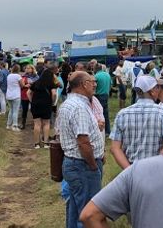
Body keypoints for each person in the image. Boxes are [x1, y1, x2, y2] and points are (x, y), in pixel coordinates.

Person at [57, 71, 105, 228]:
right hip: (83, 165)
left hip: (74, 163)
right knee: (88, 213)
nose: (95, 84)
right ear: (84, 84)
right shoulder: (79, 107)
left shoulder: (71, 104)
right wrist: (92, 164)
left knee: (76, 208)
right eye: (92, 81)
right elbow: (83, 141)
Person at [110, 75, 163, 169]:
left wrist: (130, 171)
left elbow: (115, 148)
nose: (159, 90)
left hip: (131, 169)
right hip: (156, 171)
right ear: (152, 92)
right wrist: (155, 168)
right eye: (157, 87)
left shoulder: (122, 114)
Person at [30, 67, 58, 148]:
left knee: (37, 124)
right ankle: (46, 143)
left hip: (36, 104)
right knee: (46, 123)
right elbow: (54, 94)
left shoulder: (36, 83)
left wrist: (32, 101)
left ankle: (36, 144)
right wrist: (52, 102)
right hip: (46, 104)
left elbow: (29, 92)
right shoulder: (51, 83)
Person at [94, 64, 112, 136]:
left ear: (96, 69)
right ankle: (108, 131)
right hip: (106, 95)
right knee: (105, 114)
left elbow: (94, 86)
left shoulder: (96, 76)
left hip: (99, 96)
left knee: (99, 114)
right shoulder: (107, 75)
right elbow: (111, 84)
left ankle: (101, 131)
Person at [5, 64, 23, 132]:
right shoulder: (18, 76)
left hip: (9, 94)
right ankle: (14, 125)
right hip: (16, 95)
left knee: (11, 110)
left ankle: (8, 124)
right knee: (15, 111)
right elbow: (22, 85)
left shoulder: (9, 75)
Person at [20, 64, 38, 130]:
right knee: (24, 109)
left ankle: (35, 124)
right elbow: (20, 85)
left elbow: (38, 85)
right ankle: (23, 123)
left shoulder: (36, 77)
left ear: (32, 69)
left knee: (33, 110)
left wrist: (31, 85)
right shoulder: (23, 76)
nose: (27, 69)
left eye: (29, 68)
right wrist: (24, 85)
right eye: (26, 68)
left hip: (33, 95)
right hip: (24, 94)